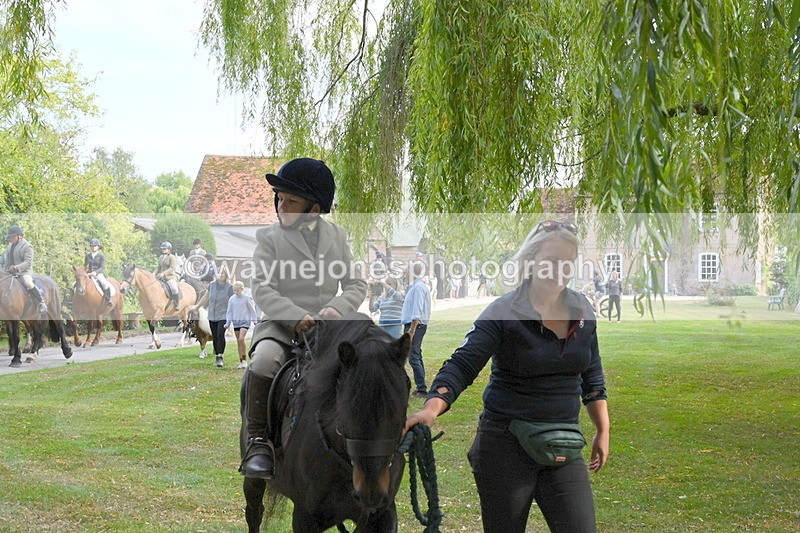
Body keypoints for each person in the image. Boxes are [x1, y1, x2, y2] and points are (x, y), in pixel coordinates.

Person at [405, 220, 610, 533]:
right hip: (506, 447)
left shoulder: (581, 309)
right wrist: (430, 409)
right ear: (530, 261)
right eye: (552, 261)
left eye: (568, 263)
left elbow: (592, 375)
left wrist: (602, 430)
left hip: (563, 447)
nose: (561, 270)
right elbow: (462, 365)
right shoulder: (504, 311)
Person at [240, 157, 367, 479]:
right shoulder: (268, 238)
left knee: (374, 356)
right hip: (281, 325)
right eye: (279, 199)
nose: (281, 206)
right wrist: (295, 316)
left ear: (315, 207)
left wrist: (338, 307)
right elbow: (262, 288)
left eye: (291, 201)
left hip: (331, 326)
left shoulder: (337, 236)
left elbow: (355, 283)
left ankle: (373, 436)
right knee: (264, 362)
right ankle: (258, 441)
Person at [191, 267, 234, 366]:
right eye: (219, 273)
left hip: (223, 315)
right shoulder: (212, 285)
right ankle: (217, 356)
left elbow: (232, 301)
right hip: (212, 315)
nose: (221, 275)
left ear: (226, 275)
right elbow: (205, 297)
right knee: (215, 336)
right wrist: (197, 307)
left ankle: (220, 356)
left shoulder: (229, 287)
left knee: (220, 334)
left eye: (223, 273)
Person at [1, 225, 47, 314]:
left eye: (12, 237)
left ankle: (41, 302)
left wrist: (16, 268)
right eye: (10, 237)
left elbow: (28, 262)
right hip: (10, 272)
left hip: (24, 272)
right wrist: (5, 269)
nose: (11, 239)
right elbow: (6, 260)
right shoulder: (10, 246)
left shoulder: (27, 246)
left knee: (28, 283)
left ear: (19, 236)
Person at [402, 261, 431, 399]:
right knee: (416, 354)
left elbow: (417, 310)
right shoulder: (413, 287)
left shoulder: (418, 288)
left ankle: (422, 389)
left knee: (413, 356)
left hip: (415, 325)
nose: (405, 272)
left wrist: (412, 330)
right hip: (414, 324)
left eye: (407, 270)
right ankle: (421, 387)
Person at [225, 281, 259, 369]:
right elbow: (229, 312)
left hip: (245, 322)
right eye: (234, 290)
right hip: (236, 322)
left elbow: (252, 310)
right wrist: (228, 323)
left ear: (241, 289)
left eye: (237, 290)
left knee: (241, 339)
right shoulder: (232, 299)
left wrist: (254, 321)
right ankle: (241, 360)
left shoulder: (246, 298)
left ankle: (244, 360)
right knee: (238, 341)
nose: (236, 292)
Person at [84, 238, 113, 306]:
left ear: (98, 247)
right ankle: (73, 300)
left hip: (98, 274)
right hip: (88, 274)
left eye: (95, 246)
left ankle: (108, 299)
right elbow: (85, 266)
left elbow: (102, 267)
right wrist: (87, 273)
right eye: (92, 246)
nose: (93, 247)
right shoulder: (87, 256)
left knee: (105, 284)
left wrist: (95, 272)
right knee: (75, 284)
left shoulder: (101, 256)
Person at [154, 242, 180, 310]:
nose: (163, 250)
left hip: (170, 277)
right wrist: (153, 274)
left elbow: (172, 268)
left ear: (169, 249)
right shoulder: (161, 257)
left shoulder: (172, 257)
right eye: (162, 249)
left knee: (174, 288)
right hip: (160, 277)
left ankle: (177, 304)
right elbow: (158, 267)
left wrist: (164, 273)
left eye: (164, 249)